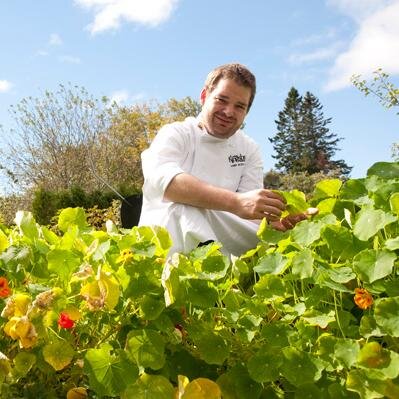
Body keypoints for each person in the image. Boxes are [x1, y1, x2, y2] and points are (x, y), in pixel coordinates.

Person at [139, 63, 306, 256]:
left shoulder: (249, 149)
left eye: (239, 106)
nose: (228, 112)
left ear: (246, 112)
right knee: (184, 209)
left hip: (222, 239)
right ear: (204, 96)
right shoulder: (176, 133)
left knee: (277, 244)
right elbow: (167, 184)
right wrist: (237, 202)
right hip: (165, 243)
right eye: (221, 100)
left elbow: (250, 214)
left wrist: (274, 225)